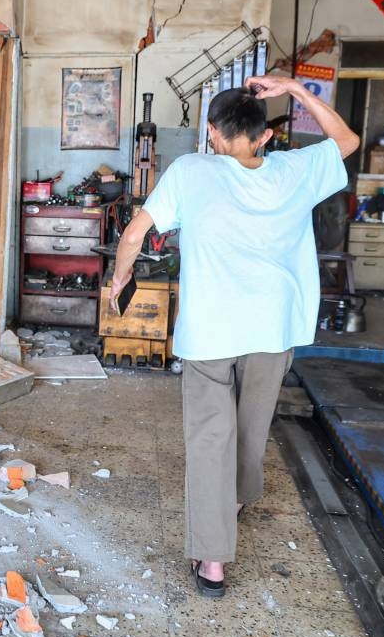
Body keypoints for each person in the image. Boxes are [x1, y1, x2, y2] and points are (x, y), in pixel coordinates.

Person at [110, 74, 359, 598]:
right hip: (273, 326)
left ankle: (214, 560)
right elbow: (347, 141)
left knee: (209, 437)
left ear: (212, 133)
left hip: (210, 332)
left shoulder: (192, 170)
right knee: (251, 424)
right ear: (264, 136)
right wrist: (294, 90)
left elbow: (136, 232)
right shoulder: (296, 169)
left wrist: (120, 279)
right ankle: (239, 500)